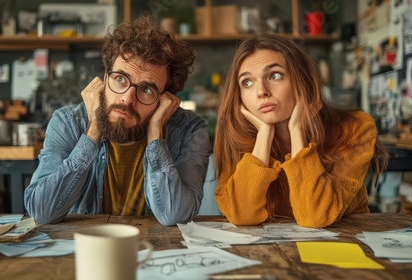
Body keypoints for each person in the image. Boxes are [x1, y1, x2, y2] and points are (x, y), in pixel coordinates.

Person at [24, 15, 212, 226]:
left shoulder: (191, 131)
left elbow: (174, 215)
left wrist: (155, 132)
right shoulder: (68, 122)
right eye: (120, 79)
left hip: (157, 250)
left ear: (165, 100)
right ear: (105, 79)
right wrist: (94, 128)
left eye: (147, 90)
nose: (127, 98)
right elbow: (41, 211)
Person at [213, 34, 389, 228]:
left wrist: (297, 130)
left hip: (344, 243)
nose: (261, 91)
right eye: (247, 82)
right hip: (269, 251)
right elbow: (242, 216)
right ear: (240, 97)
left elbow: (315, 216)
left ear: (303, 81)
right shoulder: (235, 135)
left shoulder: (354, 128)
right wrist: (264, 136)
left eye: (274, 75)